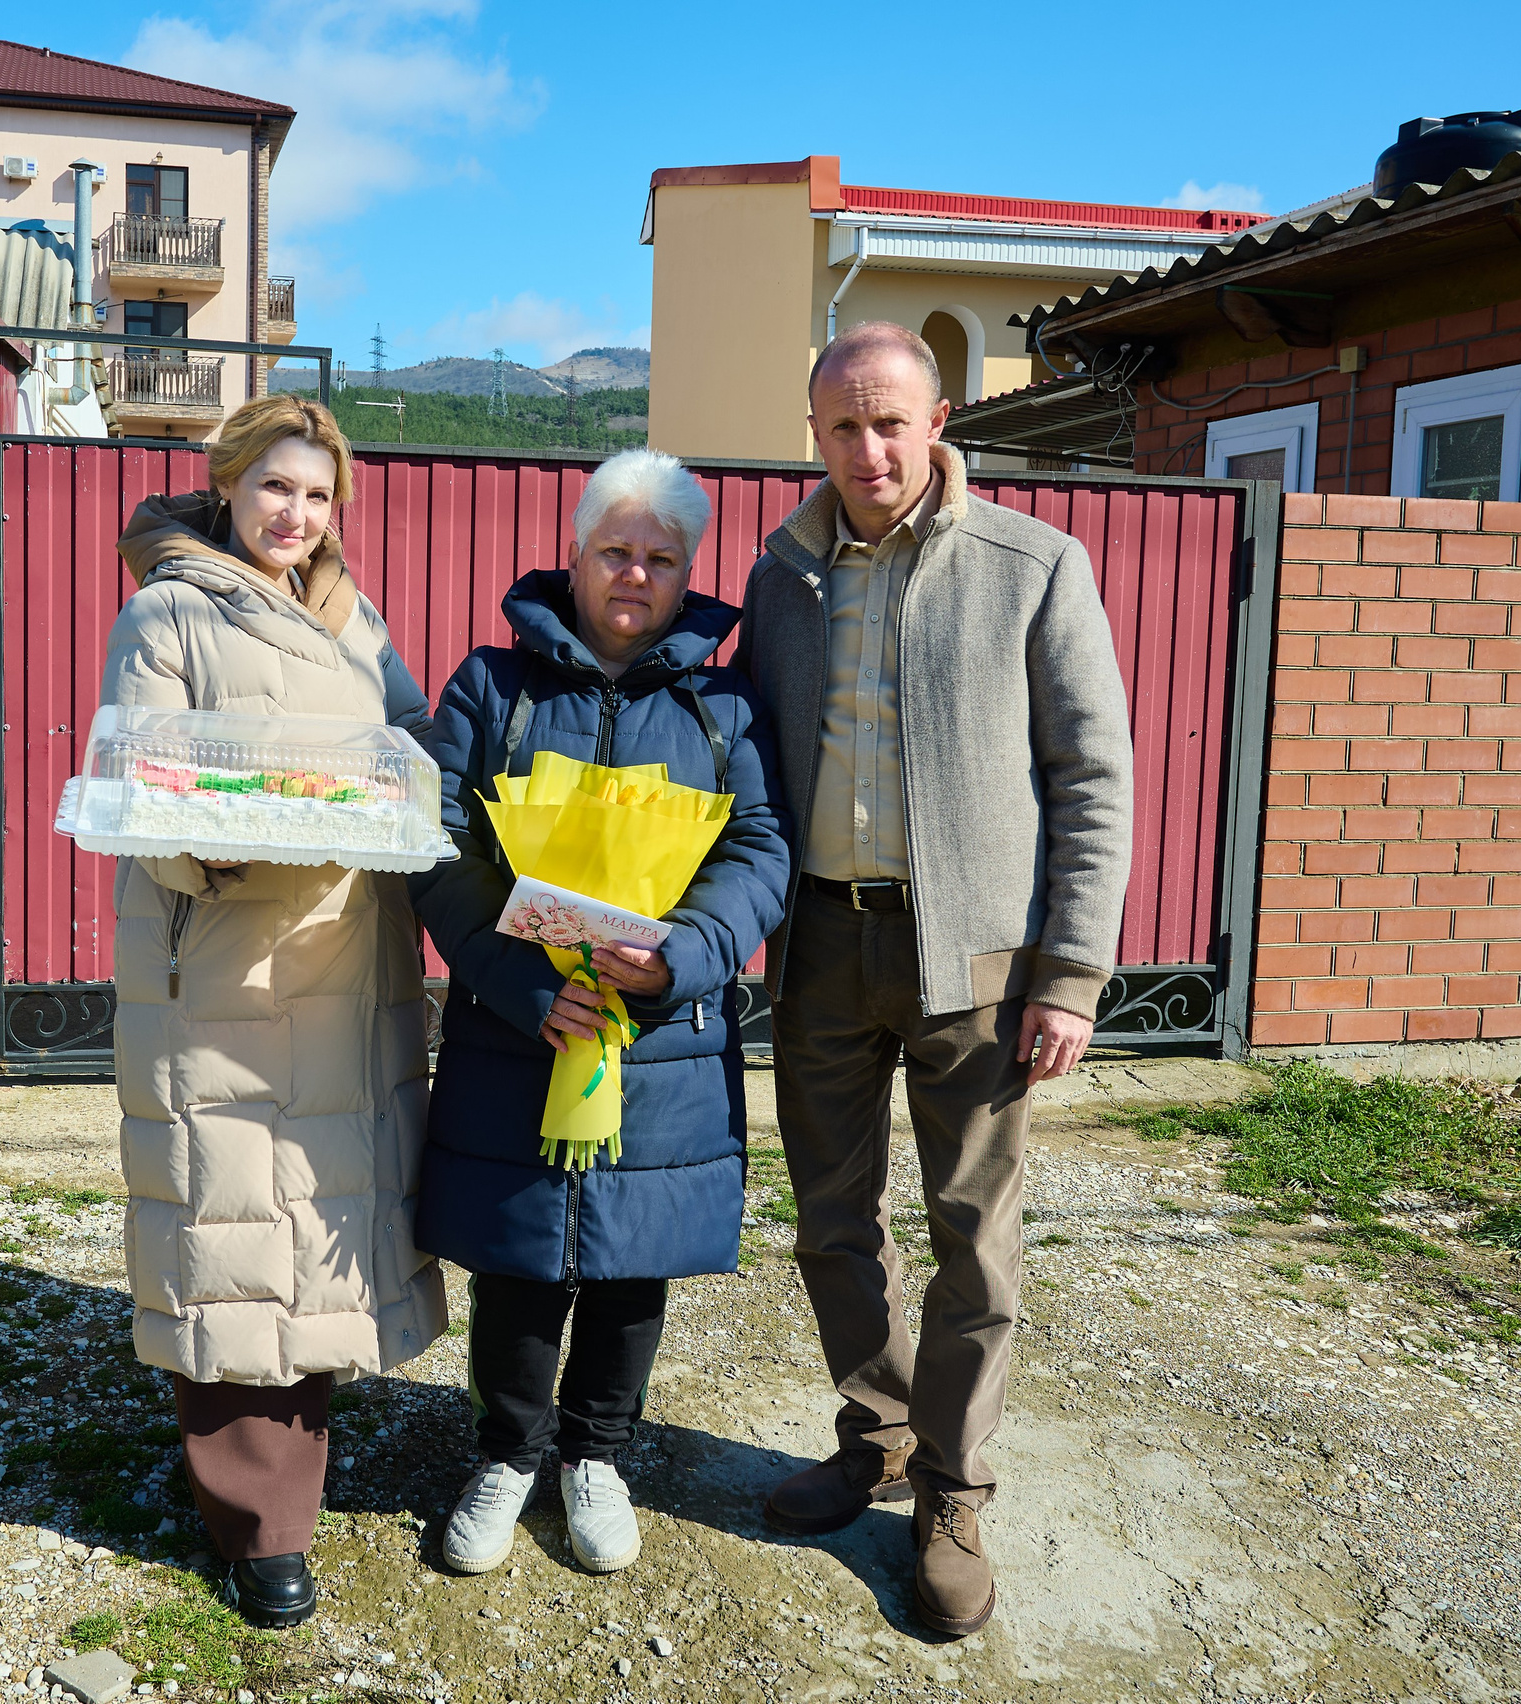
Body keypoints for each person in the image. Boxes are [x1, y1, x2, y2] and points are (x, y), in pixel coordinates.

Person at [737, 323, 1134, 1635]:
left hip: (975, 960)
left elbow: (1092, 778)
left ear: (939, 419)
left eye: (890, 421)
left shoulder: (1033, 566)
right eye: (844, 427)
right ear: (815, 433)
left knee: (974, 1236)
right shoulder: (782, 578)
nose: (870, 450)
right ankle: (880, 1434)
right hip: (822, 947)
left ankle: (954, 1488)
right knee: (830, 1222)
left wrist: (1069, 975)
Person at [409, 448, 791, 1577]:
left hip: (661, 1034)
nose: (635, 574)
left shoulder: (725, 704)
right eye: (615, 550)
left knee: (633, 1259)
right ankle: (506, 1453)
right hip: (520, 1027)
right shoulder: (494, 687)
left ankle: (597, 1455)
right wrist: (528, 984)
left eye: (661, 559)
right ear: (573, 555)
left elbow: (760, 849)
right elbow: (439, 843)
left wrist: (681, 959)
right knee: (518, 1256)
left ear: (688, 573)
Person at [99, 393, 446, 1629]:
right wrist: (223, 836)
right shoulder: (169, 610)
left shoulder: (356, 620)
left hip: (348, 961)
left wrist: (414, 793)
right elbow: (138, 785)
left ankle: (299, 1453)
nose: (294, 514)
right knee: (230, 1226)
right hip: (227, 968)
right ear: (228, 485)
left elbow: (413, 743)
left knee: (319, 1213)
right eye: (273, 488)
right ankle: (257, 1522)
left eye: (315, 493)